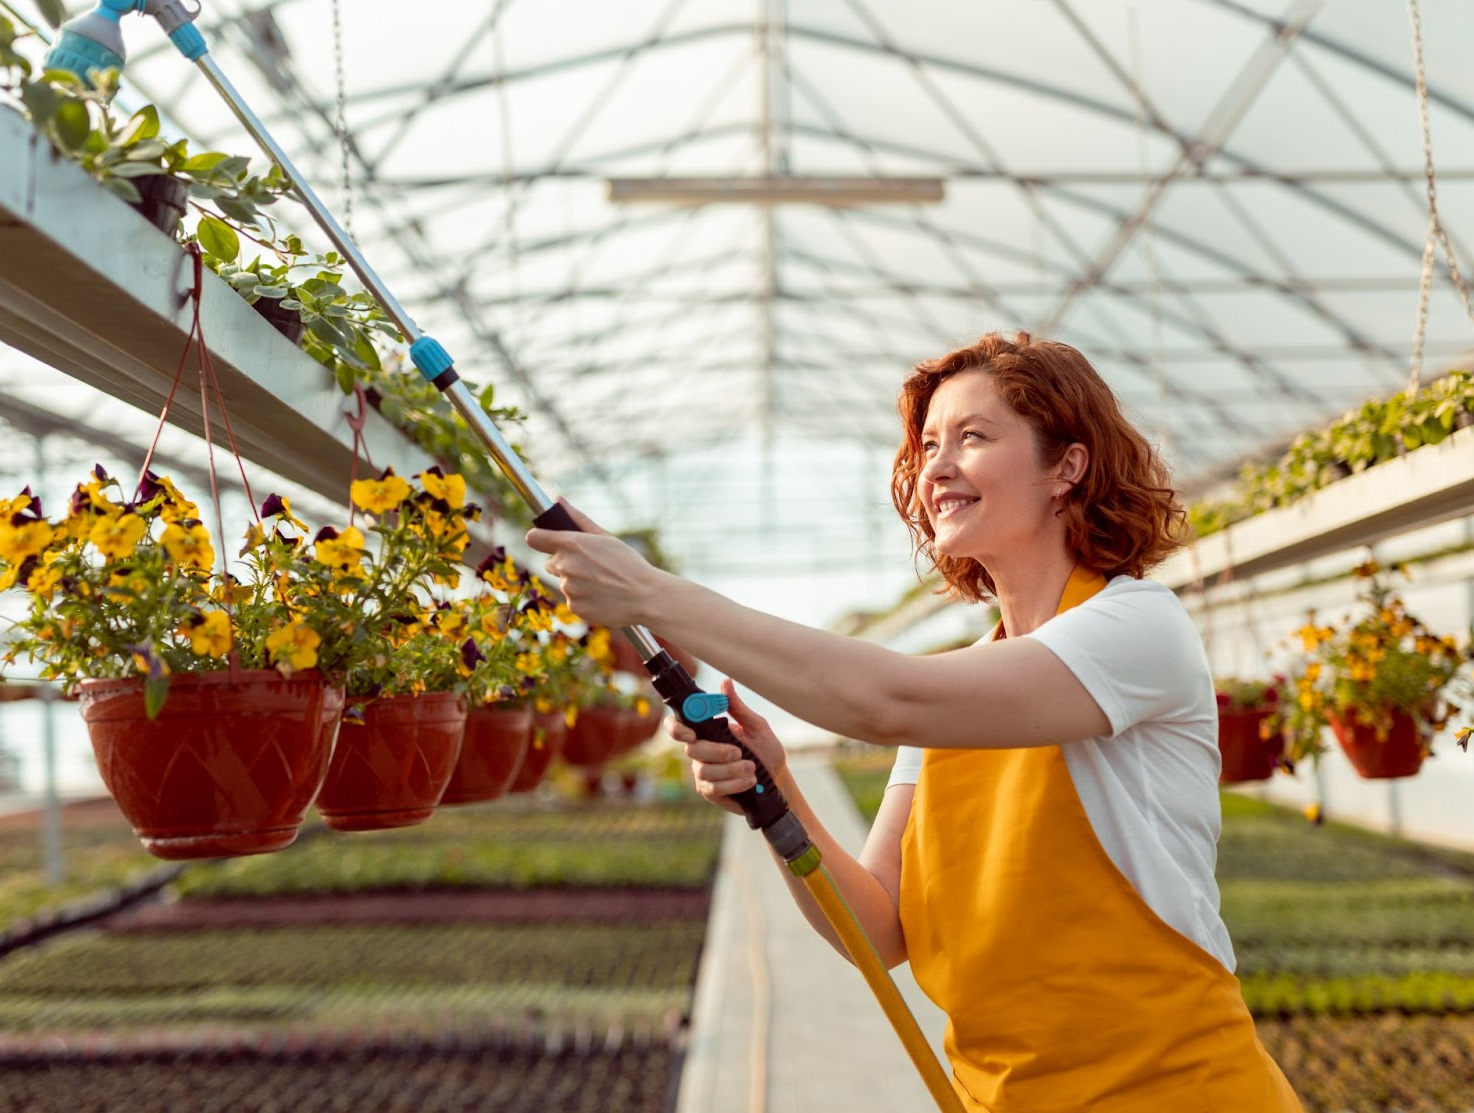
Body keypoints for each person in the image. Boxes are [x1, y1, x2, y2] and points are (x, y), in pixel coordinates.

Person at [526, 331, 1303, 1112]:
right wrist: (778, 790)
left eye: (973, 436)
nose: (935, 467)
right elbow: (876, 929)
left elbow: (884, 697)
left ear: (1067, 465)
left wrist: (650, 594)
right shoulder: (961, 682)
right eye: (929, 443)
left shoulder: (1136, 626)